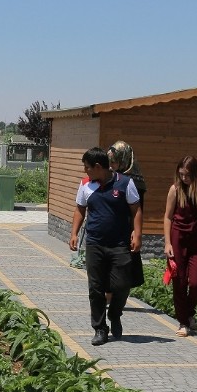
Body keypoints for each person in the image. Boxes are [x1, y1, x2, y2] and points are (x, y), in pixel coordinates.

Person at [69, 147, 142, 346]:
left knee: (122, 284)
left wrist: (137, 233)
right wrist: (74, 233)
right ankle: (100, 329)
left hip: (120, 244)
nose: (86, 172)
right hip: (95, 244)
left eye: (88, 168)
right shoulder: (85, 185)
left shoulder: (126, 183)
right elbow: (80, 210)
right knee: (95, 288)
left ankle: (115, 314)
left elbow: (135, 210)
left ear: (99, 167)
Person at [163, 155, 197, 337]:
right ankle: (183, 322)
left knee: (196, 281)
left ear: (195, 174)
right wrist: (167, 242)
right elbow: (168, 217)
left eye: (187, 175)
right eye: (181, 174)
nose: (184, 178)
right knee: (179, 280)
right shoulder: (175, 190)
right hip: (178, 239)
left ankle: (189, 312)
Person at [107, 141, 147, 293]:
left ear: (123, 160)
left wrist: (136, 232)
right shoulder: (110, 177)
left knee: (123, 264)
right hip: (111, 227)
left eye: (114, 162)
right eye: (109, 162)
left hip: (126, 228)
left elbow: (138, 210)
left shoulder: (135, 182)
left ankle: (116, 296)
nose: (111, 166)